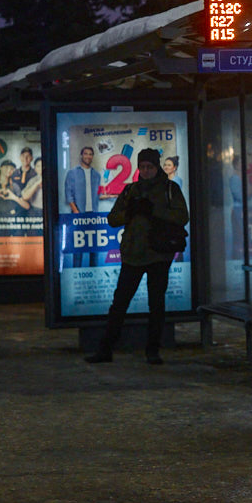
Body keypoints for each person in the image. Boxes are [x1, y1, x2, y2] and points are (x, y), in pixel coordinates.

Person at [85, 148, 189, 366]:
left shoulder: (170, 188)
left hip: (159, 254)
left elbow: (182, 216)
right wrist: (130, 213)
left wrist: (153, 211)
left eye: (149, 167)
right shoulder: (130, 190)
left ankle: (153, 350)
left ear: (157, 166)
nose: (146, 171)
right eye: (142, 167)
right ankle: (106, 349)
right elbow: (113, 219)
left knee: (156, 304)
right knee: (120, 303)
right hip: (133, 254)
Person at [64, 146, 101, 214]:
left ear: (92, 156)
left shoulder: (97, 175)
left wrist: (113, 195)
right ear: (81, 155)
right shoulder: (72, 173)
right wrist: (75, 211)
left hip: (94, 213)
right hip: (78, 212)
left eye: (90, 154)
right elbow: (68, 194)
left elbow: (98, 194)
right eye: (85, 154)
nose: (88, 156)